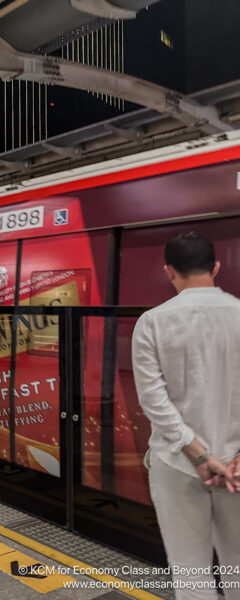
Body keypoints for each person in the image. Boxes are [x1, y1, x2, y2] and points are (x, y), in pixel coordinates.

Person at [132, 232, 240, 599]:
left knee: (190, 573)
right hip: (237, 470)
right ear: (216, 267)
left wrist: (200, 455)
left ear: (169, 271)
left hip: (177, 464)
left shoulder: (152, 322)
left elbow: (153, 401)